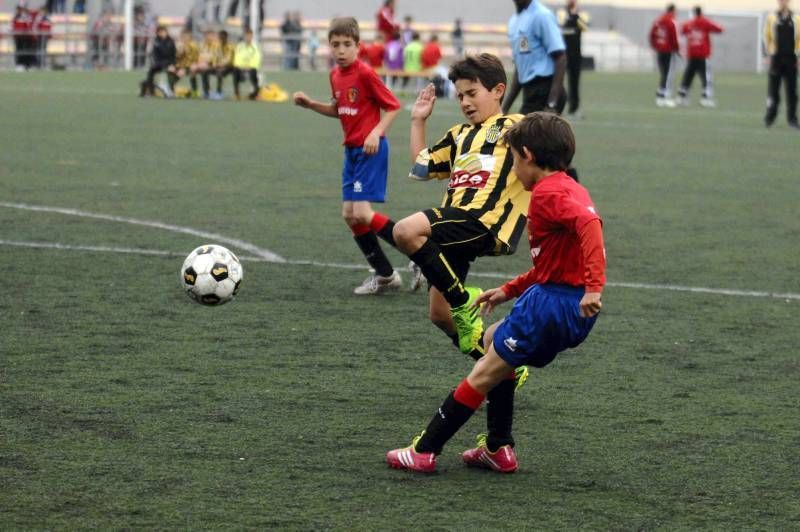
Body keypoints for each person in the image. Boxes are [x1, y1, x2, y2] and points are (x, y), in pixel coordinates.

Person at [386, 112, 606, 474]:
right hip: (563, 302)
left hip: (553, 305)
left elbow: (590, 225)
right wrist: (507, 290)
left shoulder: (550, 193)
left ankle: (425, 451)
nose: (513, 169)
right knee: (491, 339)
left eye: (513, 160)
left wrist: (594, 287)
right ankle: (497, 447)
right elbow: (549, 265)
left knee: (484, 373)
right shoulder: (566, 187)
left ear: (528, 156)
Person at [392, 53, 531, 367]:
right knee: (440, 315)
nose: (465, 102)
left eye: (472, 93)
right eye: (460, 96)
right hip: (454, 226)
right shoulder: (459, 135)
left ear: (498, 91)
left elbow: (549, 157)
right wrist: (418, 120)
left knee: (405, 230)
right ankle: (503, 368)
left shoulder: (515, 125)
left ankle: (462, 298)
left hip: (484, 219)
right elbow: (421, 165)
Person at [292, 17, 404, 295]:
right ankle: (387, 276)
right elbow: (339, 109)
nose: (340, 50)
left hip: (370, 151)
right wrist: (311, 105)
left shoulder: (365, 73)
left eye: (346, 44)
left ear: (358, 46)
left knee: (362, 212)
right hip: (352, 153)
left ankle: (418, 255)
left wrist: (376, 132)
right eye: (335, 45)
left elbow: (393, 106)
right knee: (350, 215)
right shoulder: (334, 76)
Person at [503, 0, 567, 117]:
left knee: (521, 133)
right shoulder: (514, 21)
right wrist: (504, 108)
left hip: (546, 90)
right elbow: (521, 66)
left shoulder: (542, 15)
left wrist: (551, 104)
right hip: (530, 93)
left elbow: (560, 57)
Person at [763, 0, 800, 129]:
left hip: (791, 59)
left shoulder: (796, 18)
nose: (783, 2)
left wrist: (798, 56)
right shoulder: (772, 18)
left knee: (792, 92)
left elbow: (799, 38)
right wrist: (767, 54)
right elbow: (766, 36)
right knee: (773, 91)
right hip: (776, 59)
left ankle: (792, 120)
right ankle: (770, 118)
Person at [677, 7, 723, 108]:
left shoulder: (688, 23)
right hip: (702, 56)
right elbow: (720, 29)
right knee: (706, 77)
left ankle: (682, 97)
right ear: (701, 12)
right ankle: (705, 98)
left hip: (692, 55)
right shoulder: (705, 22)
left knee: (688, 76)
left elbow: (682, 31)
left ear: (693, 13)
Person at [557, 0, 589, 117]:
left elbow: (585, 27)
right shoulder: (561, 13)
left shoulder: (581, 15)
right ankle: (556, 107)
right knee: (558, 82)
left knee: (574, 83)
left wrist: (575, 15)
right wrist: (571, 16)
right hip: (563, 55)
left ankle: (573, 109)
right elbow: (562, 25)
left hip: (576, 55)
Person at [649, 4, 680, 108]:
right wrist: (677, 49)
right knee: (668, 74)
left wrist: (655, 46)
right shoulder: (671, 21)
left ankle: (660, 93)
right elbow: (674, 37)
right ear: (673, 11)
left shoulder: (658, 20)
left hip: (660, 50)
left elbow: (652, 35)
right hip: (668, 51)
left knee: (664, 73)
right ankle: (664, 97)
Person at [139, 25, 176, 97]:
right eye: (161, 32)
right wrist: (160, 64)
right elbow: (155, 56)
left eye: (164, 31)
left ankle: (170, 91)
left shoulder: (171, 41)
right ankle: (151, 91)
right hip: (160, 63)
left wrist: (172, 64)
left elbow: (173, 55)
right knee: (151, 71)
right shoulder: (156, 41)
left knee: (170, 72)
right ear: (158, 33)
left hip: (169, 63)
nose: (163, 33)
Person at [233, 28, 261, 100]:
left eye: (250, 36)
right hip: (241, 67)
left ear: (252, 36)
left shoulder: (255, 47)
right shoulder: (240, 46)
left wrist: (250, 66)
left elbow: (256, 59)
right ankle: (237, 94)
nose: (248, 37)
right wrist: (241, 66)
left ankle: (255, 94)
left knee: (253, 72)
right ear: (245, 36)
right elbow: (237, 58)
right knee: (235, 70)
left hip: (251, 68)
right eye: (247, 36)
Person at [213, 30, 235, 98]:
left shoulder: (231, 47)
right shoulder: (217, 46)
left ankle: (219, 92)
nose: (220, 39)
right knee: (205, 71)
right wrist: (214, 65)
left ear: (226, 38)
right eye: (219, 37)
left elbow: (229, 60)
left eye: (222, 38)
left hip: (230, 67)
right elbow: (215, 57)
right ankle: (206, 92)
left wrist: (220, 65)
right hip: (219, 66)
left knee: (220, 72)